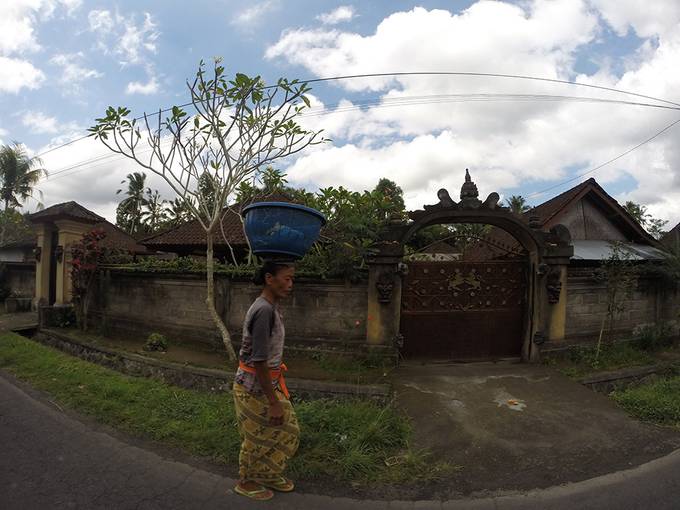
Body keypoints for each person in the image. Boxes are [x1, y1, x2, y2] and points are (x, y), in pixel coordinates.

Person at [232, 260, 299, 501]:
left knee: (287, 428)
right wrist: (273, 402)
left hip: (264, 384)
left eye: (292, 279)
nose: (291, 284)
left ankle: (268, 473)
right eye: (287, 278)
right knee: (257, 436)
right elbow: (258, 360)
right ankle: (246, 480)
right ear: (269, 279)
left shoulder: (270, 306)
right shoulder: (264, 311)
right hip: (253, 387)